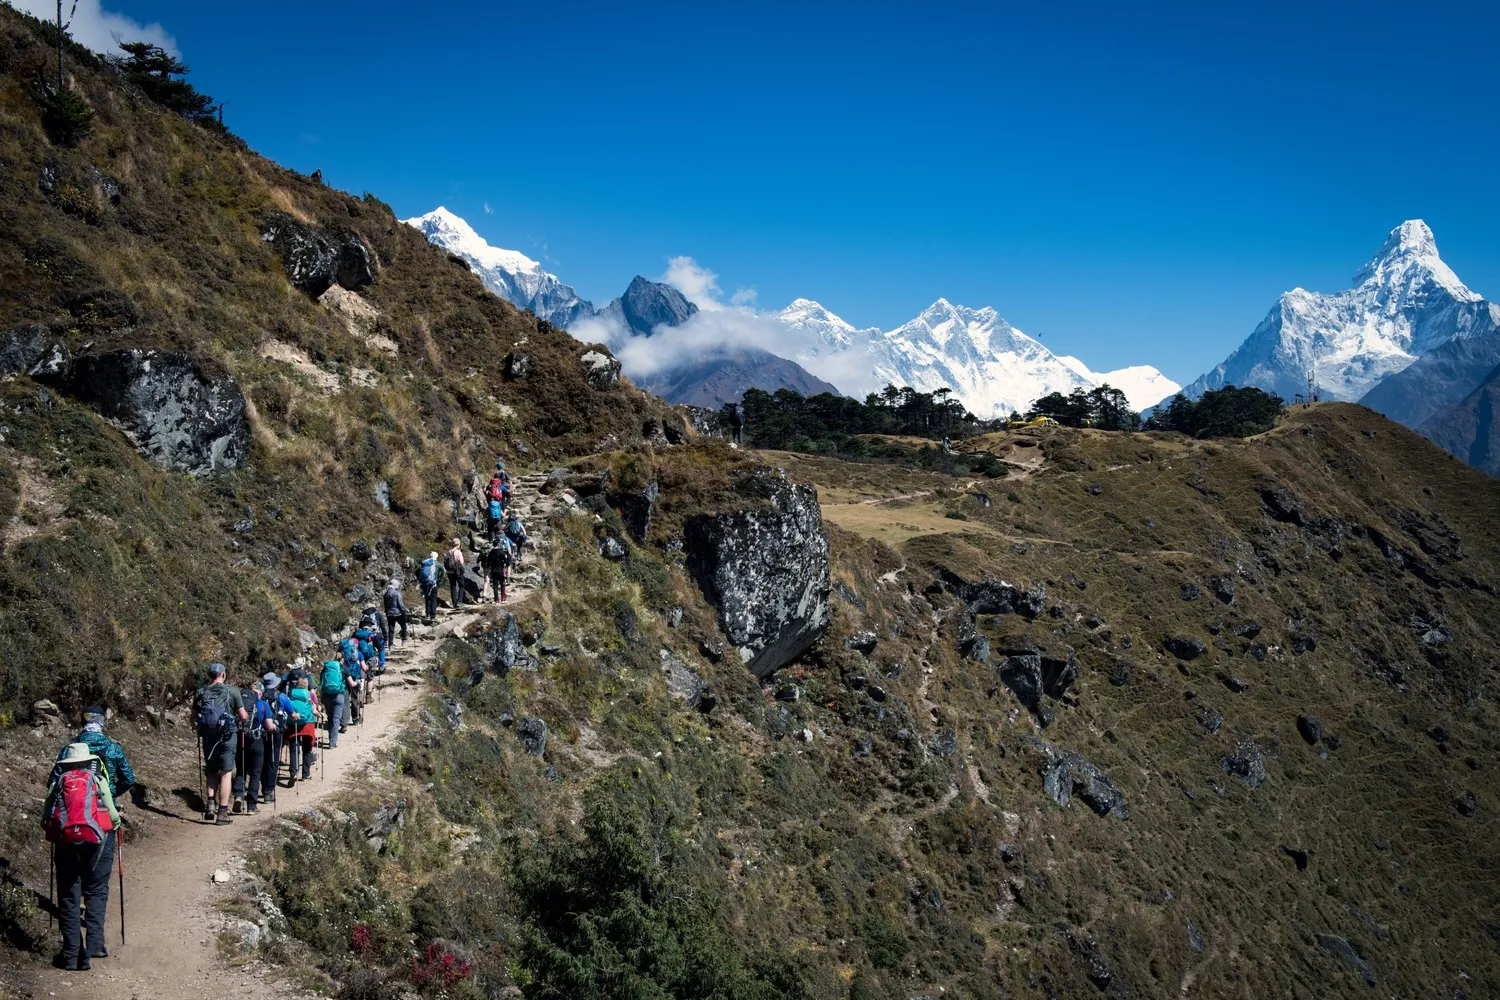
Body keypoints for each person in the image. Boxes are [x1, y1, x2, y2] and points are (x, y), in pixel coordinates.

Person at [43, 742, 120, 971]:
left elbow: (46, 817)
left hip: (66, 843)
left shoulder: (59, 783)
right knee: (96, 890)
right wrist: (114, 825)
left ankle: (72, 956)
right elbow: (113, 817)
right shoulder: (98, 781)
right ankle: (95, 945)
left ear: (66, 764)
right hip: (98, 844)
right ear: (89, 762)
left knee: (69, 895)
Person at [194, 663, 248, 825]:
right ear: (223, 675)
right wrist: (241, 722)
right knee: (225, 773)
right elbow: (243, 715)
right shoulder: (233, 691)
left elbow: (194, 716)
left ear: (209, 675)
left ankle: (210, 805)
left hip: (208, 736)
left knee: (211, 770)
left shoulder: (201, 692)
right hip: (227, 736)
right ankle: (222, 812)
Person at [51, 705, 136, 802]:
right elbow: (129, 779)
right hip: (104, 805)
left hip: (72, 805)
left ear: (83, 722)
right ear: (102, 722)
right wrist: (111, 793)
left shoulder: (69, 748)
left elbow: (53, 781)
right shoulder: (113, 749)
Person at [233, 681, 274, 813]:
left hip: (241, 738)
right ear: (261, 693)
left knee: (241, 769)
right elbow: (268, 726)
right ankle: (251, 805)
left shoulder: (240, 702)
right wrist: (275, 728)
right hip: (257, 740)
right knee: (256, 773)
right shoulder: (263, 705)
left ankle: (238, 796)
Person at [261, 672, 294, 799]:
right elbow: (291, 712)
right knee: (273, 760)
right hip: (276, 731)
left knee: (262, 760)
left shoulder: (260, 696)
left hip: (261, 731)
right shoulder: (281, 696)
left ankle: (263, 785)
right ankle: (269, 791)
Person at [284, 675, 320, 785]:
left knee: (294, 748)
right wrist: (320, 715)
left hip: (293, 724)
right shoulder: (310, 695)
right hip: (307, 724)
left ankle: (294, 772)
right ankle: (306, 774)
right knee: (307, 749)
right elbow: (314, 710)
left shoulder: (290, 694)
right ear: (307, 685)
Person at [318, 655, 347, 749]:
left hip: (326, 696)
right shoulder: (342, 669)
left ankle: (331, 738)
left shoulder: (326, 669)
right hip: (339, 695)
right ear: (342, 659)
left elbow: (321, 682)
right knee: (336, 718)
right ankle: (332, 742)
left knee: (330, 717)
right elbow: (351, 682)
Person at [338, 634, 365, 729]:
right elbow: (364, 667)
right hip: (355, 678)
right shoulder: (358, 653)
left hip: (344, 678)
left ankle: (344, 723)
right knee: (354, 698)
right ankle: (356, 718)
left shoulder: (342, 653)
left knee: (345, 701)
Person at [484, 535, 514, 604]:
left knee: (495, 585)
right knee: (502, 584)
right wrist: (509, 559)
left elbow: (488, 562)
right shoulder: (501, 552)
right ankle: (503, 599)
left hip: (493, 570)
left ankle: (496, 599)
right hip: (500, 570)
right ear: (498, 544)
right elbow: (507, 562)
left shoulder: (491, 552)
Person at [383, 579, 409, 645]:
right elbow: (400, 604)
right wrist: (405, 609)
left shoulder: (386, 593)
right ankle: (404, 640)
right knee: (403, 626)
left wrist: (386, 612)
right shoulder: (396, 593)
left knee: (391, 629)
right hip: (398, 613)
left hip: (389, 613)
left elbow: (385, 605)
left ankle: (390, 644)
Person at [418, 551, 442, 621]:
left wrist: (421, 580)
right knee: (434, 599)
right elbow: (443, 571)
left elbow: (417, 571)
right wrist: (439, 580)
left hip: (425, 583)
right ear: (436, 557)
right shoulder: (437, 564)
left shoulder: (425, 563)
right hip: (433, 584)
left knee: (427, 598)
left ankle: (427, 614)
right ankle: (433, 615)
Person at [444, 537, 467, 609]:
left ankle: (454, 603)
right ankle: (459, 601)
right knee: (461, 585)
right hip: (457, 570)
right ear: (458, 544)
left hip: (449, 571)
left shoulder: (448, 552)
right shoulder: (458, 552)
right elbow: (461, 562)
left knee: (453, 586)